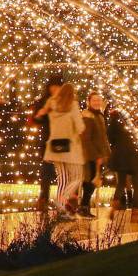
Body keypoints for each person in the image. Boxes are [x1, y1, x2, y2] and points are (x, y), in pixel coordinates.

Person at [36, 82, 87, 220]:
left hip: (54, 147)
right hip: (70, 147)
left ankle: (61, 209)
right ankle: (61, 202)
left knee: (62, 179)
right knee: (77, 177)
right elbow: (80, 127)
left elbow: (40, 114)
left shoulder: (51, 104)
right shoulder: (73, 105)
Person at [107, 108, 138, 221]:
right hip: (135, 156)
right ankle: (135, 215)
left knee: (121, 183)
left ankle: (113, 207)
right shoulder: (135, 119)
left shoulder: (113, 122)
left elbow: (110, 138)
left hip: (120, 157)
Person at [30, 76, 64, 211]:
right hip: (48, 141)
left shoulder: (65, 102)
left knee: (62, 173)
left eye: (57, 87)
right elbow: (37, 119)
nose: (55, 89)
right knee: (46, 171)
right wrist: (40, 114)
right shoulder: (45, 102)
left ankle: (62, 201)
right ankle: (43, 199)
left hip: (62, 141)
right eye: (53, 86)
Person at [78, 91, 111, 219]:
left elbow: (103, 138)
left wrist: (106, 154)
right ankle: (83, 207)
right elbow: (86, 139)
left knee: (92, 182)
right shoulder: (88, 116)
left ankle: (84, 207)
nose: (97, 102)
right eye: (94, 100)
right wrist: (96, 156)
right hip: (90, 156)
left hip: (99, 156)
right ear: (89, 102)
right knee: (89, 182)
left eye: (99, 100)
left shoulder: (100, 116)